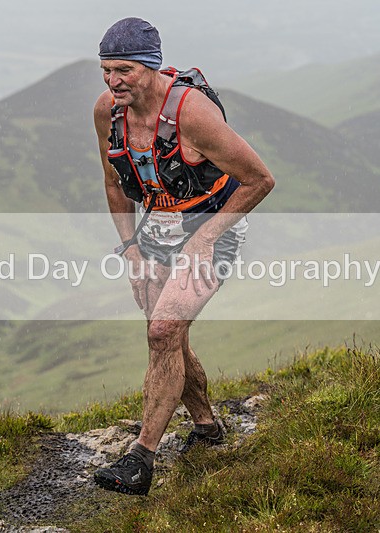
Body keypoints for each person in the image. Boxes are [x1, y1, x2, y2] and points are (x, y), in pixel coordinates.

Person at [92, 17, 275, 496]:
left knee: (163, 331)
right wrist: (131, 248)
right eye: (106, 70)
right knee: (170, 338)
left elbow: (260, 180)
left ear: (151, 67)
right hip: (156, 229)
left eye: (124, 70)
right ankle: (208, 428)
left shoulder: (191, 114)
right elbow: (114, 182)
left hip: (213, 228)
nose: (113, 81)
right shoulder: (107, 112)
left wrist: (205, 238)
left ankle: (140, 460)